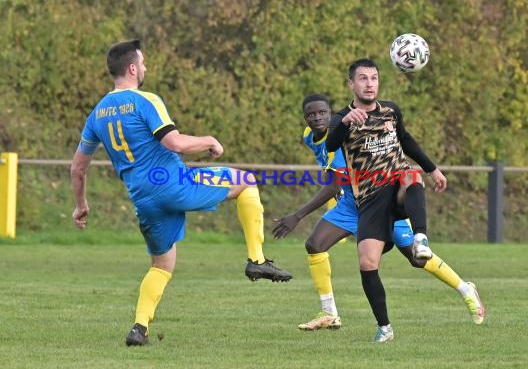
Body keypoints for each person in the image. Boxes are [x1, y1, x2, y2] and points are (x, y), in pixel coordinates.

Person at [70, 39, 292, 347]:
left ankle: (139, 328)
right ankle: (257, 259)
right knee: (246, 180)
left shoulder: (97, 114)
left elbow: (78, 169)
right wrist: (209, 140)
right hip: (172, 182)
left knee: (162, 265)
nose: (145, 68)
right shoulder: (146, 101)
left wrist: (81, 204)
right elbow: (174, 143)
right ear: (133, 68)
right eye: (143, 63)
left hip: (142, 198)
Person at [273, 93, 486, 335]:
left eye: (322, 113)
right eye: (311, 114)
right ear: (305, 118)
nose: (317, 117)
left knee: (417, 259)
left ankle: (465, 289)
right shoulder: (308, 136)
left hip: (376, 201)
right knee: (315, 245)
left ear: (332, 115)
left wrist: (297, 216)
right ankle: (329, 313)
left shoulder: (340, 139)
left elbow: (334, 184)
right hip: (350, 204)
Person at [325, 59, 486, 342]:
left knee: (410, 175)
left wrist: (432, 168)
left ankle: (421, 239)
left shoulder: (391, 111)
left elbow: (406, 140)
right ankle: (385, 328)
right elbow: (330, 144)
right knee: (367, 263)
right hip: (370, 198)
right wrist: (344, 125)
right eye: (362, 79)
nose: (369, 83)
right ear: (351, 84)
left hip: (396, 185)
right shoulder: (342, 118)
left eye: (373, 78)